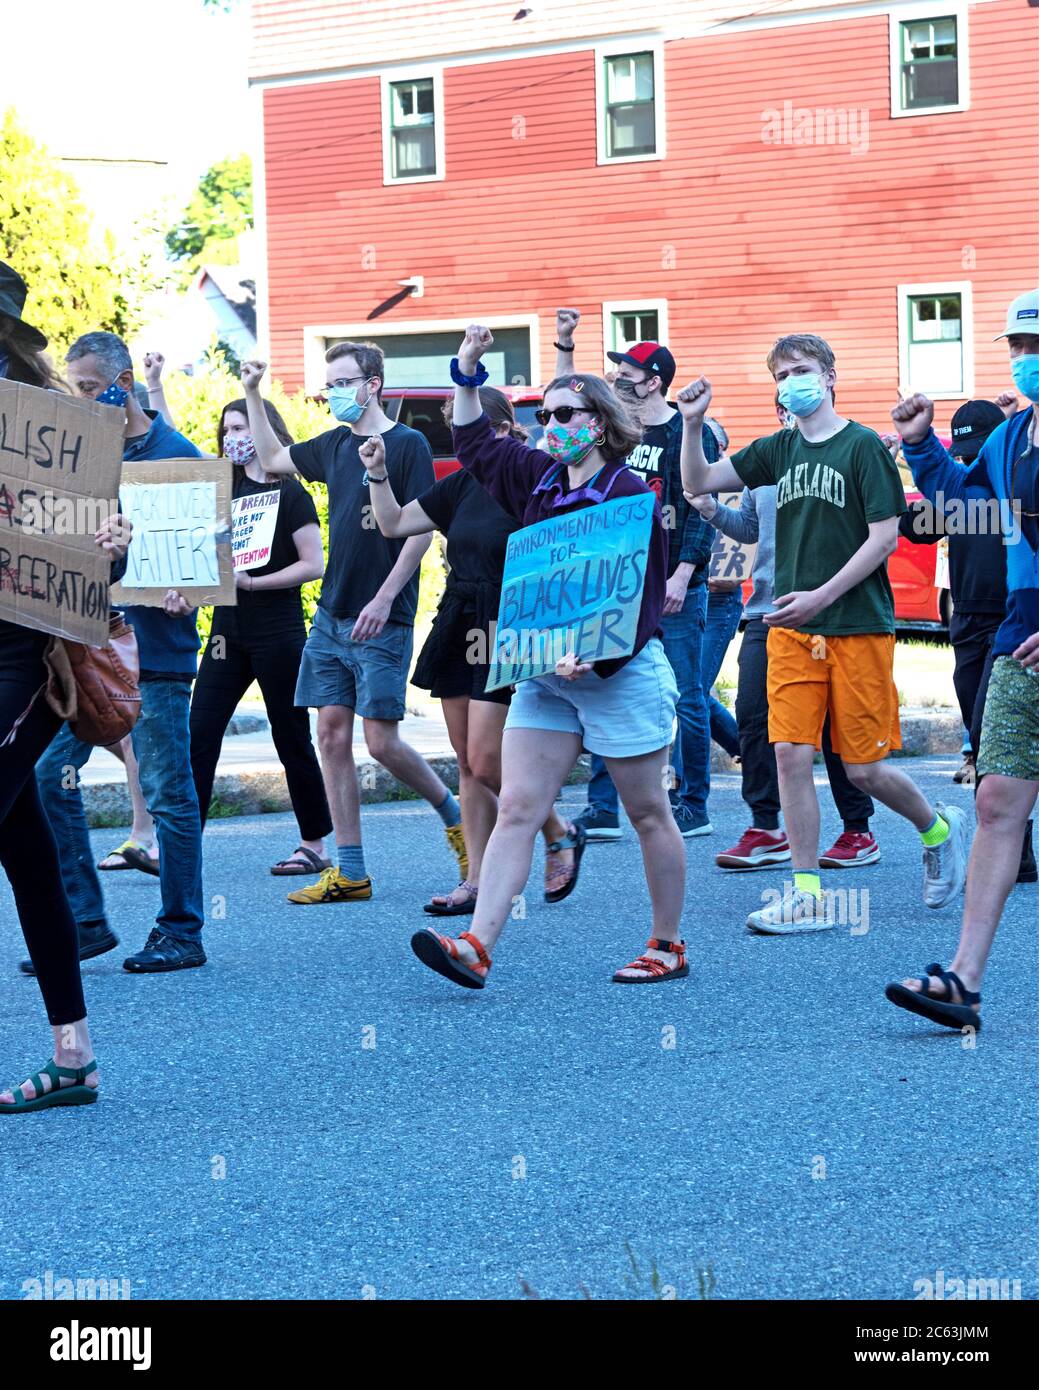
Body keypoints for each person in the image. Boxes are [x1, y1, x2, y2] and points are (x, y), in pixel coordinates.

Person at [411, 324, 688, 988]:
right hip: (542, 674)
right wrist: (468, 372)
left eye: (565, 414)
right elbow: (474, 442)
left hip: (616, 675)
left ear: (599, 423)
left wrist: (599, 658)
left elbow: (642, 596)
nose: (549, 425)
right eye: (544, 415)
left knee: (647, 810)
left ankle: (668, 943)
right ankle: (477, 944)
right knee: (517, 806)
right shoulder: (536, 480)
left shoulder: (627, 496)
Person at [679, 333, 970, 934]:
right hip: (788, 627)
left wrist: (821, 597)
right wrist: (691, 423)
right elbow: (702, 479)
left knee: (863, 768)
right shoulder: (777, 449)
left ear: (831, 376)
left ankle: (939, 827)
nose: (792, 382)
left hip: (855, 624)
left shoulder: (862, 446)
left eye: (802, 370)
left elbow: (885, 538)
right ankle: (806, 893)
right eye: (782, 374)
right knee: (789, 754)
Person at [240, 345, 468, 904]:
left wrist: (387, 597)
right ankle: (351, 870)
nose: (334, 391)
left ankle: (454, 815)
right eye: (329, 382)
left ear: (373, 384)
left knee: (382, 742)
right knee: (330, 734)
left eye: (344, 381)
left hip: (382, 615)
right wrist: (252, 391)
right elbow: (273, 460)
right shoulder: (336, 444)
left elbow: (421, 527)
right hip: (332, 614)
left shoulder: (407, 444)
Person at [361, 386, 584, 913]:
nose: (466, 440)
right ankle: (477, 880)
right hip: (460, 616)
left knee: (486, 760)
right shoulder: (459, 484)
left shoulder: (536, 479)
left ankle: (556, 828)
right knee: (466, 762)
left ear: (506, 429)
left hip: (511, 622)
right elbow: (393, 523)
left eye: (477, 427)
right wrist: (376, 473)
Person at [29, 331, 208, 974]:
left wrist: (187, 590)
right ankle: (85, 921)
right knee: (49, 774)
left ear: (120, 385)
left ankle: (182, 930)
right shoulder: (80, 457)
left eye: (84, 388)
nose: (77, 400)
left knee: (167, 793)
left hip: (157, 653)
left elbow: (205, 561)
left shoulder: (178, 457)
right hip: (86, 650)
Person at [885, 289, 1039, 1030]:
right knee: (993, 801)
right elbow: (957, 502)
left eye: (1035, 346)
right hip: (1018, 639)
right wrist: (921, 445)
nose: (1026, 359)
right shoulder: (1011, 439)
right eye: (1018, 346)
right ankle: (962, 980)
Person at [0, 265, 132, 1110]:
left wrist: (109, 541)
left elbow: (92, 551)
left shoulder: (49, 429)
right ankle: (73, 1054)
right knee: (28, 851)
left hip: (23, 660)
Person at [691, 409, 879, 872]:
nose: (789, 408)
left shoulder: (847, 452)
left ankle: (858, 829)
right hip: (768, 612)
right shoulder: (766, 462)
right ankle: (766, 827)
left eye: (798, 387)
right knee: (753, 716)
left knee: (836, 726)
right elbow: (750, 530)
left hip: (831, 613)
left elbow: (876, 534)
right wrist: (714, 511)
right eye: (781, 402)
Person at [554, 311, 717, 841]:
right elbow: (570, 396)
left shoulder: (685, 432)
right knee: (607, 679)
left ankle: (694, 802)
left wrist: (683, 573)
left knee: (688, 695)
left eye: (629, 371)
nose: (620, 377)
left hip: (675, 586)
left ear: (655, 381)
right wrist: (564, 344)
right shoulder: (615, 433)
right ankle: (603, 808)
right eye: (617, 371)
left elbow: (700, 507)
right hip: (619, 585)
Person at [188, 396, 333, 875]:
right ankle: (185, 841)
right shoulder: (217, 492)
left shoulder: (292, 495)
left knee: (290, 736)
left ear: (267, 430)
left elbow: (313, 565)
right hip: (228, 631)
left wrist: (255, 582)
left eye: (242, 426)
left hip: (278, 631)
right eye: (226, 429)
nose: (233, 437)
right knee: (199, 733)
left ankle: (314, 844)